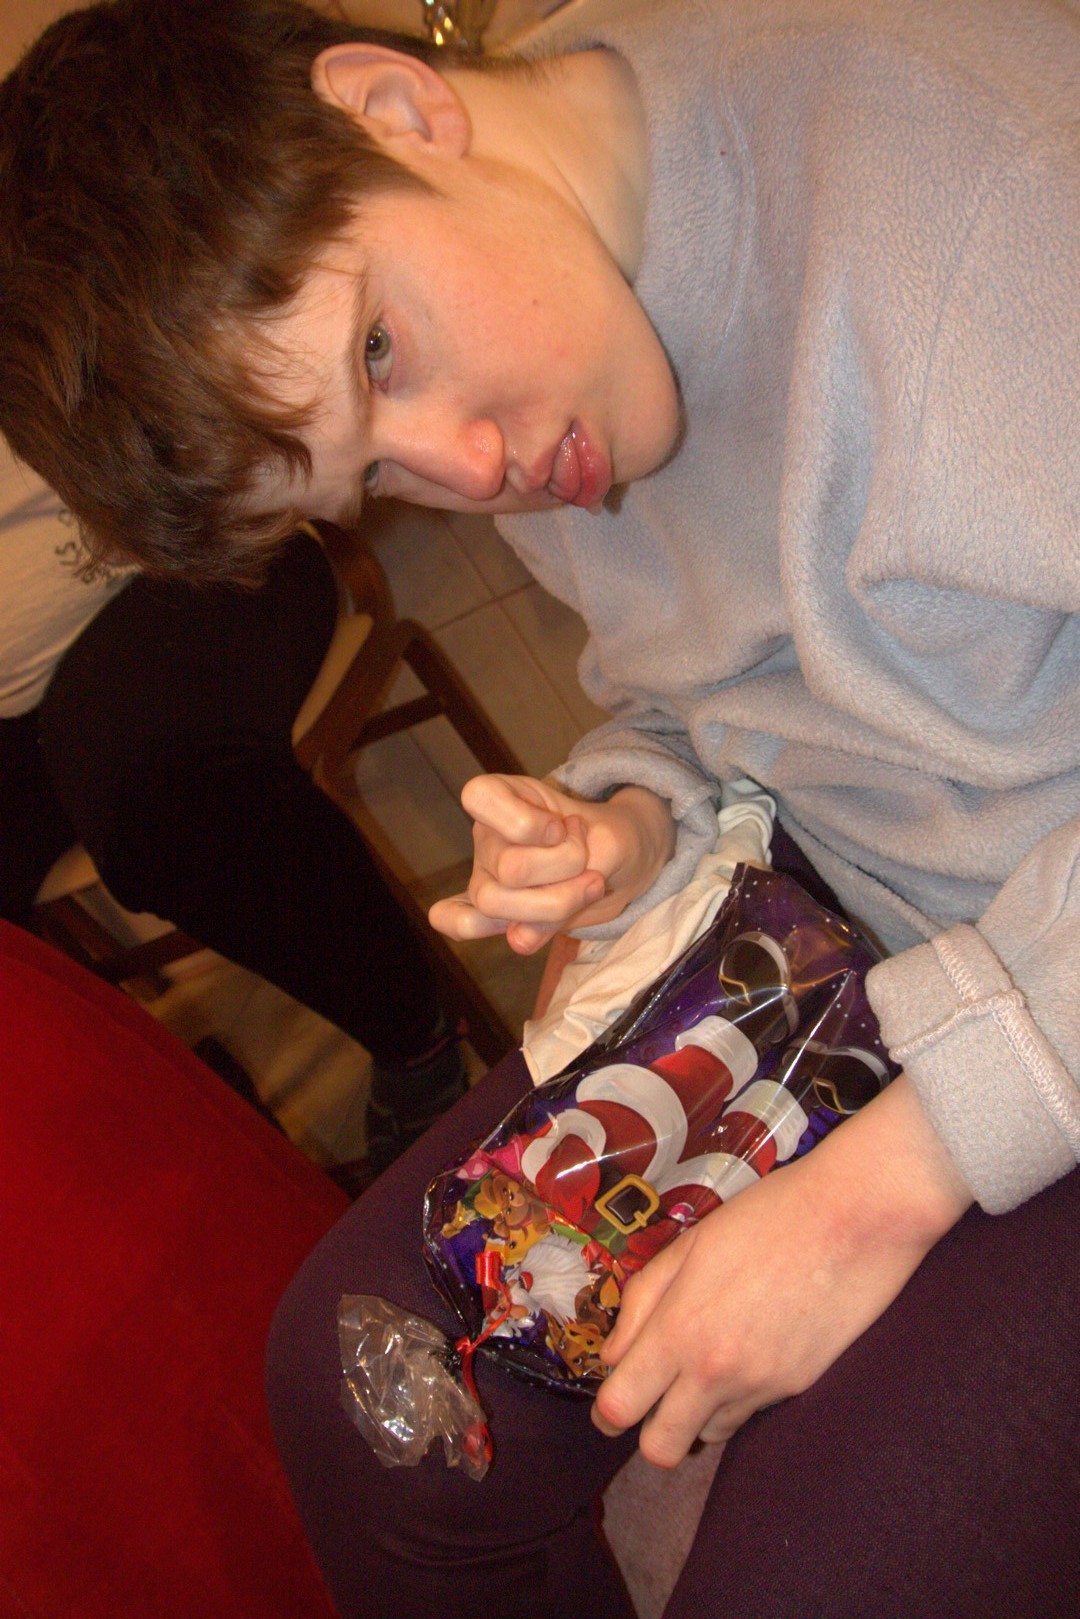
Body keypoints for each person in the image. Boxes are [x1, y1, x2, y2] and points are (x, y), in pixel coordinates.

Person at [1, 0, 1076, 1613]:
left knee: (799, 1572)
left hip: (1045, 967)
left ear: (394, 109)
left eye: (378, 353)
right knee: (352, 1392)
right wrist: (631, 818)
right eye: (372, 478)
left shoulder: (983, 188)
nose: (468, 467)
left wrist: (888, 1183)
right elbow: (715, 687)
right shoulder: (538, 318)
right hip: (845, 926)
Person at [0, 442, 469, 1178]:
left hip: (183, 557)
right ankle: (186, 1161)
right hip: (17, 709)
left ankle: (414, 1033)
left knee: (157, 791)